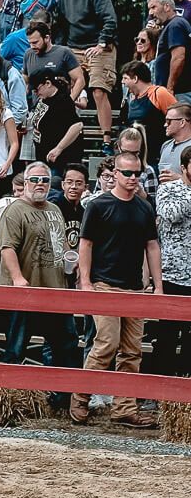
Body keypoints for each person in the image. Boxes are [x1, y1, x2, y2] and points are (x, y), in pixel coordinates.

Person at [69, 152, 162, 428]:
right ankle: (81, 396)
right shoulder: (98, 206)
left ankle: (124, 407)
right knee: (106, 344)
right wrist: (85, 282)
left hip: (133, 287)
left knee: (132, 349)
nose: (133, 178)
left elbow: (152, 246)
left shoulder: (144, 208)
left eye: (137, 174)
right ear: (114, 175)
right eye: (127, 173)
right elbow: (85, 244)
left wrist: (157, 286)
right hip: (104, 284)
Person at [0, 163, 75, 378]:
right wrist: (18, 278)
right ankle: (10, 398)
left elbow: (62, 243)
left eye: (45, 180)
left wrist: (72, 261)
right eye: (34, 179)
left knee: (65, 345)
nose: (40, 184)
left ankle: (60, 398)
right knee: (16, 347)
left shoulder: (55, 209)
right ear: (25, 183)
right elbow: (7, 247)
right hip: (25, 292)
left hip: (55, 289)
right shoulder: (15, 210)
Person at [55, 0, 117, 151]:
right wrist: (60, 49)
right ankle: (67, 132)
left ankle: (106, 139)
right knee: (61, 86)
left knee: (98, 90)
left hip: (98, 45)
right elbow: (61, 25)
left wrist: (101, 43)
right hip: (73, 46)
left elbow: (110, 19)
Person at [152, 143, 191, 376]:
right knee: (166, 334)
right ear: (184, 167)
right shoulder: (169, 189)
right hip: (173, 273)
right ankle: (158, 391)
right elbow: (170, 214)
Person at [118, 61, 175, 166]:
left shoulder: (159, 93)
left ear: (135, 79)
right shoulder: (130, 99)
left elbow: (178, 116)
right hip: (137, 157)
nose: (122, 82)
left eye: (125, 78)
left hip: (158, 156)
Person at [29, 70, 85, 176]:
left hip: (60, 158)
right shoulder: (44, 99)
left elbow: (77, 125)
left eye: (37, 89)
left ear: (48, 84)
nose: (36, 93)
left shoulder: (62, 101)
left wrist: (59, 148)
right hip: (43, 154)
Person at [22, 21, 85, 102]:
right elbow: (25, 83)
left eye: (35, 42)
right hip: (38, 108)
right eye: (30, 43)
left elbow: (80, 80)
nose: (32, 46)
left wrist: (70, 102)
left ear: (47, 38)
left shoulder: (64, 53)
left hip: (60, 106)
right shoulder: (28, 54)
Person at [146, 0, 191, 102]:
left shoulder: (175, 25)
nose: (150, 13)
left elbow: (178, 57)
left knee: (179, 119)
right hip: (177, 91)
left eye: (153, 7)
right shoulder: (171, 25)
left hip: (180, 92)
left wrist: (170, 88)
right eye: (149, 9)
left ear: (167, 7)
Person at [159, 104, 191, 183]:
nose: (165, 125)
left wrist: (179, 179)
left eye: (168, 121)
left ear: (182, 122)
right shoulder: (165, 146)